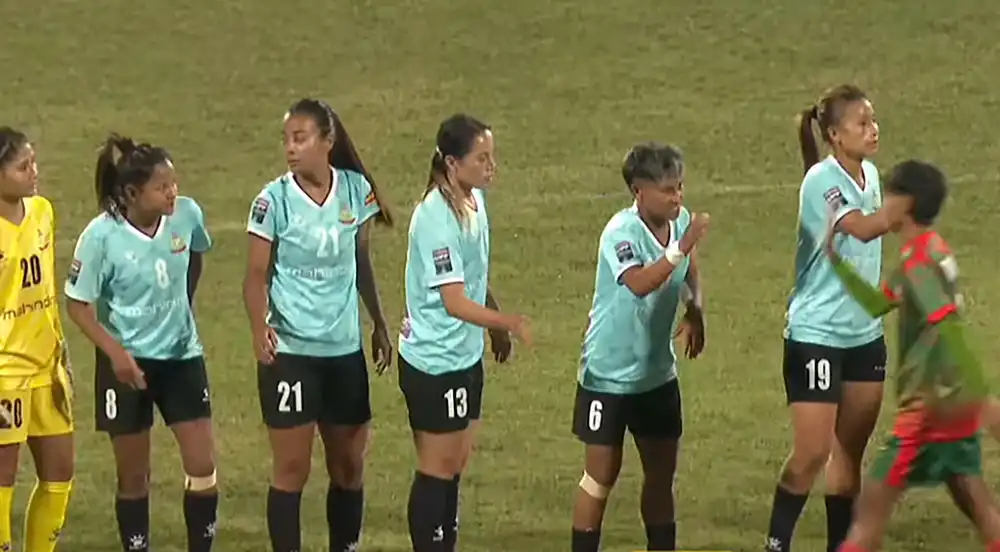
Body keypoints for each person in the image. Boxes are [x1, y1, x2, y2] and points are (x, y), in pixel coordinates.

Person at [243, 98, 394, 552]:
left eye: (300, 138)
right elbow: (255, 275)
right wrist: (258, 328)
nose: (290, 148)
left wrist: (378, 321)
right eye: (286, 139)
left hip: (343, 352)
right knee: (292, 469)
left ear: (327, 142)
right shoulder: (272, 201)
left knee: (349, 467)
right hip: (291, 354)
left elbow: (361, 260)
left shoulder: (356, 191)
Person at [828, 160, 1000, 552]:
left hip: (928, 409)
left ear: (906, 204)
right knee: (979, 506)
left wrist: (984, 398)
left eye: (888, 195)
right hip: (953, 407)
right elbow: (878, 303)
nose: (882, 205)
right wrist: (837, 262)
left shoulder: (918, 264)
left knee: (869, 512)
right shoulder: (930, 250)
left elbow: (948, 327)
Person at [64, 134, 218, 552]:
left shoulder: (186, 215)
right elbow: (78, 305)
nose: (172, 193)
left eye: (173, 183)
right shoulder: (100, 237)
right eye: (161, 187)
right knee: (134, 476)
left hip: (182, 358)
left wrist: (184, 303)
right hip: (126, 366)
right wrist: (116, 355)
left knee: (202, 465)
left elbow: (196, 255)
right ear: (132, 193)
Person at [765, 84, 892, 552]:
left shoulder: (870, 175)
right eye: (862, 123)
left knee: (848, 456)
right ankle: (776, 544)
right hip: (816, 334)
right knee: (812, 452)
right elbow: (860, 228)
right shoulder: (821, 180)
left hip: (864, 336)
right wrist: (910, 204)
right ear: (835, 135)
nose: (873, 129)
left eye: (873, 120)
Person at [398, 113, 530, 552]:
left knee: (455, 464)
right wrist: (506, 322)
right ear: (453, 164)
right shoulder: (436, 218)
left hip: (464, 355)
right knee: (436, 469)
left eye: (492, 156)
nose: (492, 166)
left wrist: (493, 322)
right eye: (482, 158)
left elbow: (472, 273)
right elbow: (453, 301)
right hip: (434, 362)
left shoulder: (473, 200)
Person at [570, 142, 710, 552]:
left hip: (657, 375)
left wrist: (695, 308)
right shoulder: (621, 233)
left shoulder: (679, 221)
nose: (677, 197)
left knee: (661, 477)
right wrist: (682, 245)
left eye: (679, 187)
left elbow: (690, 269)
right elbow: (639, 283)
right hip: (607, 375)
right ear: (639, 191)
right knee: (600, 478)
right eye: (667, 190)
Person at [0, 127, 74, 552]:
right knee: (3, 480)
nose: (34, 172)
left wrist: (62, 352)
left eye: (33, 162)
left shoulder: (43, 211)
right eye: (22, 166)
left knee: (60, 474)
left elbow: (45, 288)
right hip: (5, 373)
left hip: (48, 366)